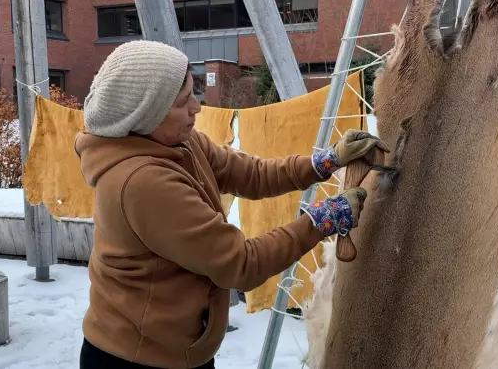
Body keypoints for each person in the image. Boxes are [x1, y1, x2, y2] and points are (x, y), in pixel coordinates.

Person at [75, 40, 388, 369]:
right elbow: (241, 265)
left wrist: (324, 162)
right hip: (137, 358)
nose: (196, 107)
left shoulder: (179, 141)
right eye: (183, 102)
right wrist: (321, 221)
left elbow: (251, 174)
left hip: (173, 348)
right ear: (146, 115)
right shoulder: (140, 183)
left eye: (193, 92)